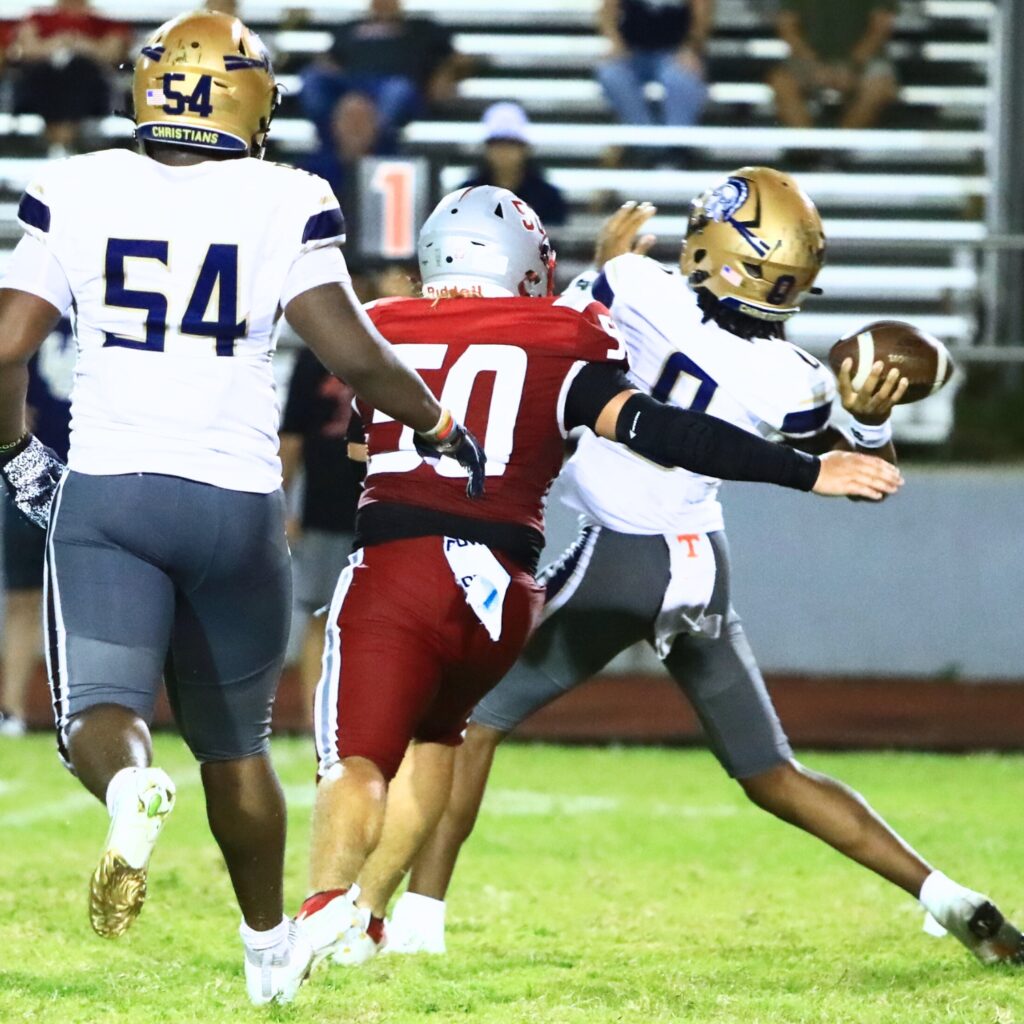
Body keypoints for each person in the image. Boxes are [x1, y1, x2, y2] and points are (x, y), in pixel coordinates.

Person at [385, 173, 1024, 968]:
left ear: (717, 253)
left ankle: (418, 921)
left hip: (626, 552)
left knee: (472, 719)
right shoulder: (797, 380)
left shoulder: (635, 284)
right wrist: (870, 415)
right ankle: (947, 896)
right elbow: (871, 473)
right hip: (701, 565)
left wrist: (602, 264)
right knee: (772, 773)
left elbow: (546, 348)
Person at [290, 181, 903, 970]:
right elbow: (663, 429)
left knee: (362, 758)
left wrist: (606, 276)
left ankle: (337, 914)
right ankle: (374, 920)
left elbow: (358, 448)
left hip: (408, 558)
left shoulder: (384, 323)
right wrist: (821, 461)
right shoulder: (581, 336)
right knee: (446, 734)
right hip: (514, 579)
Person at [0, 10, 484, 1006]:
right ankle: (266, 947)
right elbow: (351, 353)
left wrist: (13, 448)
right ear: (250, 96)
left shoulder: (76, 184)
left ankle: (131, 788)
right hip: (238, 504)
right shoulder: (288, 194)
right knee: (238, 747)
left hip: (113, 491)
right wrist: (435, 421)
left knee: (98, 711)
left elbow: (6, 344)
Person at [280, 350, 365, 730]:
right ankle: (316, 720)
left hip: (380, 505)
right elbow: (293, 436)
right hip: (328, 506)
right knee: (321, 616)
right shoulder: (314, 356)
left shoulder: (398, 339)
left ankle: (358, 718)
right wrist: (282, 505)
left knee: (367, 622)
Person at [0, 317, 74, 738]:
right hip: (36, 472)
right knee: (23, 596)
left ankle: (87, 711)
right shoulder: (36, 324)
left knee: (98, 601)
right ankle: (11, 708)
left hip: (98, 475)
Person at [299, 0, 473, 142]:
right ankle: (332, 134)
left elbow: (460, 59)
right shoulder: (350, 27)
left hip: (395, 85)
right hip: (350, 86)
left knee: (398, 88)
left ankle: (373, 141)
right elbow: (329, 59)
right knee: (312, 76)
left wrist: (444, 74)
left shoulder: (422, 27)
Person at [10, 0, 131, 156]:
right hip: (44, 79)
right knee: (48, 75)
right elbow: (25, 50)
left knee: (79, 71)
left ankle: (60, 144)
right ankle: (63, 144)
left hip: (88, 82)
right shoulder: (38, 16)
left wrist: (78, 44)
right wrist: (58, 43)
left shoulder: (106, 18)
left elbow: (112, 54)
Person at [767, 0, 898, 130]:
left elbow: (880, 28)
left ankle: (844, 142)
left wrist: (851, 65)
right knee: (781, 83)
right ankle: (809, 145)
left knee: (878, 87)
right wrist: (814, 65)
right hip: (808, 60)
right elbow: (787, 27)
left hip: (865, 60)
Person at [596, 0, 713, 130]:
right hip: (633, 52)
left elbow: (703, 12)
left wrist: (690, 48)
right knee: (611, 74)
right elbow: (606, 10)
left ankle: (676, 142)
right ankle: (642, 138)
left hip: (675, 53)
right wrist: (616, 43)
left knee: (682, 80)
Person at [459, 103, 567, 231]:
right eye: (497, 143)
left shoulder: (548, 197)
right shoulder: (466, 195)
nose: (504, 152)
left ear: (525, 148)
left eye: (511, 144)